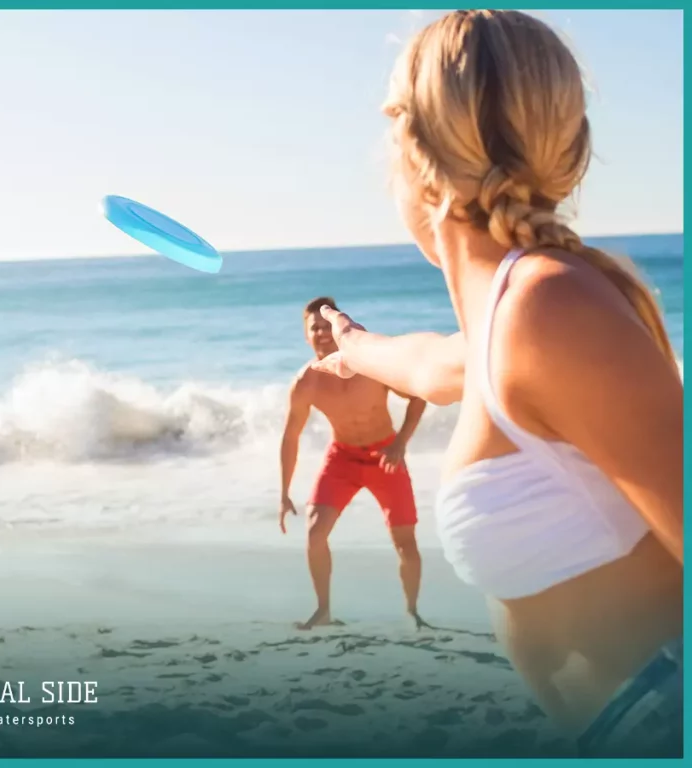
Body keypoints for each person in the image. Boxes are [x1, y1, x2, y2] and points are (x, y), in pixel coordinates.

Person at [315, 10, 682, 757]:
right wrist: (351, 344)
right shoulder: (515, 314)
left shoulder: (550, 306)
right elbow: (430, 365)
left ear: (411, 152)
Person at [280, 297, 429, 631]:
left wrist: (400, 443)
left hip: (384, 456)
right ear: (306, 335)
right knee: (315, 532)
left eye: (324, 325)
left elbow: (418, 395)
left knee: (405, 541)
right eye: (313, 327)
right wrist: (284, 491)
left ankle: (412, 613)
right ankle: (323, 611)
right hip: (342, 457)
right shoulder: (306, 383)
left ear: (336, 330)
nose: (320, 332)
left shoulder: (370, 366)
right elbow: (290, 437)